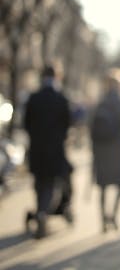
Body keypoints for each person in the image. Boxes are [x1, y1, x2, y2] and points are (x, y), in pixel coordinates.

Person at [24, 64, 73, 239]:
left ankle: (40, 211)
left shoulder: (33, 98)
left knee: (39, 183)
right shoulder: (61, 99)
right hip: (55, 150)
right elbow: (68, 125)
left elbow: (26, 124)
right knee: (51, 184)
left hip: (36, 149)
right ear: (56, 77)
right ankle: (43, 213)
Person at [89, 68, 120, 233]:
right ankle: (114, 216)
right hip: (117, 150)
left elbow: (91, 127)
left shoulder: (100, 102)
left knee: (102, 185)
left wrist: (93, 149)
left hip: (101, 151)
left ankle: (103, 219)